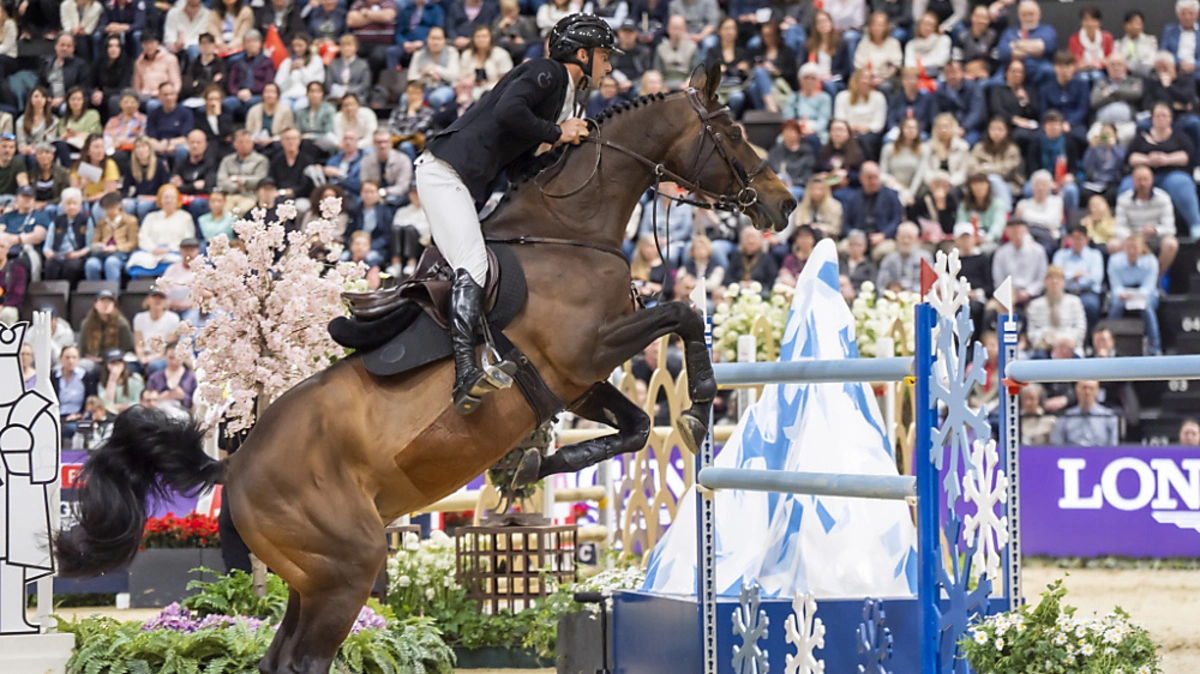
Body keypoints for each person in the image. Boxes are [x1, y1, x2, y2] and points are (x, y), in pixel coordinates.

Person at [414, 13, 617, 414]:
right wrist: (558, 133)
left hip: (463, 181)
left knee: (483, 264)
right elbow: (509, 111)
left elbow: (517, 167)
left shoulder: (561, 97)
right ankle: (465, 373)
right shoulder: (548, 72)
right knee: (473, 264)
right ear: (582, 54)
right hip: (444, 173)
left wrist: (559, 155)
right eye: (605, 56)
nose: (608, 66)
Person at [1124, 103, 1200, 238]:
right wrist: (1148, 160)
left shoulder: (1180, 136)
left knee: (1182, 183)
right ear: (1152, 118)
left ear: (1171, 118)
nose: (1161, 119)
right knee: (1126, 186)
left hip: (1170, 175)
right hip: (1145, 174)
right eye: (1157, 116)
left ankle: (1195, 225)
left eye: (1164, 115)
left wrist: (1166, 159)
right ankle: (1127, 231)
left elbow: (1186, 156)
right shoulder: (1141, 137)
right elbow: (1131, 157)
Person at [1114, 165, 1179, 275]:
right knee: (1113, 245)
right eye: (1139, 180)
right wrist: (1132, 239)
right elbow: (1119, 227)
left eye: (1145, 179)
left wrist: (1155, 230)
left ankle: (1155, 277)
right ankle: (1128, 277)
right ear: (1133, 181)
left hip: (1155, 238)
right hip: (1132, 237)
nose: (1142, 183)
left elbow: (1170, 228)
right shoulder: (1123, 199)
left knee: (1171, 244)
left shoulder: (1163, 198)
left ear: (1151, 180)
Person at [1107, 231, 1162, 355]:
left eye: (1135, 248)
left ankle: (1155, 348)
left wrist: (1135, 296)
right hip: (1122, 295)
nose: (1131, 251)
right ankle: (1108, 344)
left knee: (1147, 307)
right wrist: (1123, 294)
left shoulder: (1151, 261)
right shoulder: (1115, 261)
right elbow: (1115, 286)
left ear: (1141, 248)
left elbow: (1149, 287)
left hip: (1144, 295)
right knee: (1116, 304)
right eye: (1129, 247)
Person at [842, 161, 903, 260]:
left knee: (883, 251)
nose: (874, 181)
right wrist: (855, 237)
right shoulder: (853, 198)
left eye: (876, 177)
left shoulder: (891, 196)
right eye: (870, 178)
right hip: (858, 237)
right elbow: (846, 225)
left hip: (883, 237)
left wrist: (884, 235)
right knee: (843, 249)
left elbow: (897, 220)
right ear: (861, 178)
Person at [1051, 224, 1104, 328]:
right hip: (1064, 292)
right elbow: (1056, 275)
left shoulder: (1095, 255)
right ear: (1069, 239)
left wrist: (1070, 278)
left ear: (1086, 240)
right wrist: (1074, 276)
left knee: (1091, 305)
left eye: (1079, 238)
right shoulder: (1060, 255)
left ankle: (1089, 339)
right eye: (1073, 238)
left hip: (1087, 293)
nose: (1076, 241)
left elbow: (1095, 278)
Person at [1026, 266, 1086, 354]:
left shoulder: (1074, 302)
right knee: (1038, 356)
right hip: (1044, 345)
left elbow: (1080, 329)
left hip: (1068, 344)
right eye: (1050, 278)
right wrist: (1046, 338)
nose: (1054, 281)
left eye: (1058, 278)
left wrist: (1063, 340)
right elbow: (1031, 331)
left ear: (1064, 282)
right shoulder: (1035, 305)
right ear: (1045, 281)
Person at [997, 0, 1057, 86]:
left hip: (1037, 67)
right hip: (1010, 69)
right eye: (1024, 15)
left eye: (1031, 14)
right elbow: (1003, 52)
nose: (1028, 18)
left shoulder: (1047, 30)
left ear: (1038, 15)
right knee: (991, 83)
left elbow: (1045, 48)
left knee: (1049, 71)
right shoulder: (1009, 32)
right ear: (1019, 16)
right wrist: (1033, 47)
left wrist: (1016, 45)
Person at [991, 219, 1047, 308]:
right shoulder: (1001, 253)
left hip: (1032, 293)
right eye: (1012, 229)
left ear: (1026, 230)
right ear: (1007, 231)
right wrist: (1009, 294)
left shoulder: (1038, 251)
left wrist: (1028, 292)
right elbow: (998, 279)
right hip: (1008, 294)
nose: (1016, 231)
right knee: (992, 310)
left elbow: (1042, 278)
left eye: (1019, 228)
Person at [86, 192, 139, 281]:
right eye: (107, 209)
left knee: (111, 262)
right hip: (103, 252)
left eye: (112, 208)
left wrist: (115, 248)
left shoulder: (130, 221)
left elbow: (133, 243)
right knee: (91, 264)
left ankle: (113, 292)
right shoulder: (101, 222)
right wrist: (98, 246)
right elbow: (94, 242)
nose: (109, 211)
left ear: (119, 206)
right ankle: (93, 291)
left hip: (121, 253)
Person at [43, 187, 91, 285]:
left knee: (71, 266)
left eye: (74, 203)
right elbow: (47, 246)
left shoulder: (86, 221)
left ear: (80, 205)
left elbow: (90, 246)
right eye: (68, 204)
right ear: (63, 205)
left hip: (76, 255)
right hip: (58, 255)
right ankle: (51, 295)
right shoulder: (56, 221)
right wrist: (48, 252)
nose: (71, 207)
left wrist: (78, 254)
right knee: (50, 265)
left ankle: (68, 296)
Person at [1049, 380, 1119, 446]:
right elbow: (1056, 445)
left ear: (1097, 390)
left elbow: (1114, 445)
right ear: (1077, 389)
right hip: (1071, 455)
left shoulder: (1108, 416)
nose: (1087, 392)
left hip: (1101, 455)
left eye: (1091, 388)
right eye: (1084, 388)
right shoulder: (1065, 417)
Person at [78, 289, 135, 367]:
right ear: (95, 304)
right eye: (102, 301)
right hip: (94, 361)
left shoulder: (122, 324)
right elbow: (84, 351)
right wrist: (96, 359)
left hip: (116, 361)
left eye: (109, 302)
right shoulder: (87, 324)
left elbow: (128, 349)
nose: (106, 305)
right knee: (83, 365)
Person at [51, 345, 98, 439]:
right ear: (61, 359)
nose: (70, 361)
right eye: (67, 357)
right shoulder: (53, 377)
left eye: (74, 357)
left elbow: (92, 400)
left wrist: (80, 415)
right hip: (57, 416)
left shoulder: (86, 378)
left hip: (79, 418)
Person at [133, 286, 181, 376]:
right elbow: (139, 344)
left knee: (154, 366)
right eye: (154, 297)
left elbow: (169, 347)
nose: (157, 300)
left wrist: (151, 358)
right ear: (148, 300)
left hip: (162, 356)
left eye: (161, 298)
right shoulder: (139, 318)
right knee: (130, 367)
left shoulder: (173, 318)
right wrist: (142, 357)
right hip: (145, 354)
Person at [875, 221, 931, 293]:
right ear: (897, 238)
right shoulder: (889, 259)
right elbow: (881, 284)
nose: (906, 241)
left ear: (916, 239)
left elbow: (929, 284)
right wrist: (890, 292)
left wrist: (911, 292)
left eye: (909, 237)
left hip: (918, 298)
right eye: (903, 237)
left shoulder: (925, 258)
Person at [145, 342, 197, 412]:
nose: (174, 362)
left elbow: (197, 403)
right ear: (165, 357)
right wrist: (159, 398)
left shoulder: (191, 377)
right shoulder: (154, 377)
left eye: (177, 358)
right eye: (170, 358)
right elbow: (146, 401)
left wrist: (183, 396)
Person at [957, 172, 1006, 244]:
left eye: (982, 184)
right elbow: (960, 224)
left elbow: (998, 227)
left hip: (990, 240)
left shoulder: (997, 204)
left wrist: (986, 238)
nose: (979, 187)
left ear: (988, 186)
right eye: (975, 184)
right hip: (968, 240)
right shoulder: (964, 205)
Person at [98, 348, 144, 413]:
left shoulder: (135, 378)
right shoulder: (102, 383)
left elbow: (138, 402)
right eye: (113, 362)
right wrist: (112, 380)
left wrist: (119, 407)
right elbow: (106, 405)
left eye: (119, 361)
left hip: (132, 414)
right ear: (107, 365)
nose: (116, 365)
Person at [0, 238, 26, 325]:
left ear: (7, 250)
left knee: (7, 313)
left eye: (2, 247)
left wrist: (3, 306)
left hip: (8, 306)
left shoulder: (17, 270)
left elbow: (17, 295)